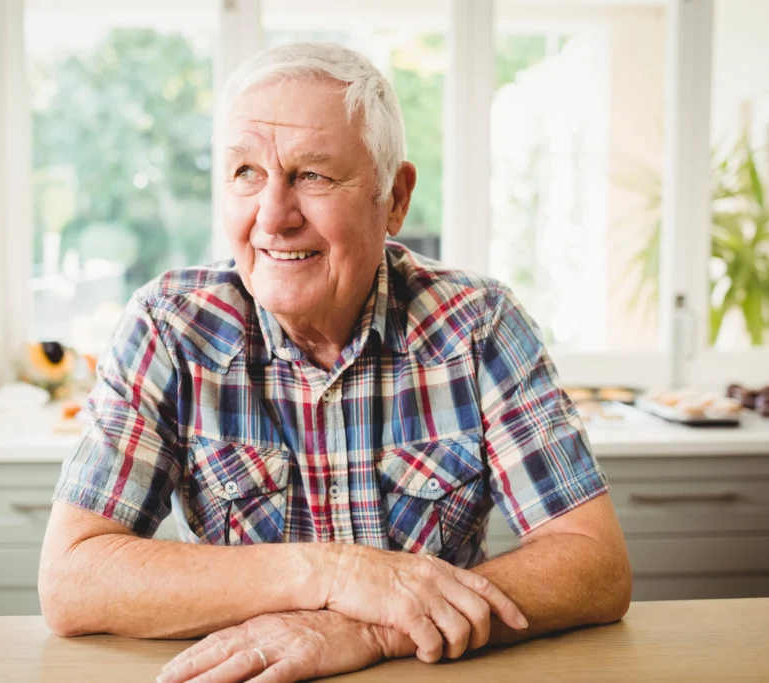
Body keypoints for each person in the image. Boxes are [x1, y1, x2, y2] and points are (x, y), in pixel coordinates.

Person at [39, 41, 631, 683]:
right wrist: (337, 574)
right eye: (246, 173)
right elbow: (73, 581)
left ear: (395, 198)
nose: (273, 216)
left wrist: (368, 627)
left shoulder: (478, 324)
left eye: (312, 176)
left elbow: (594, 564)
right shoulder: (172, 325)